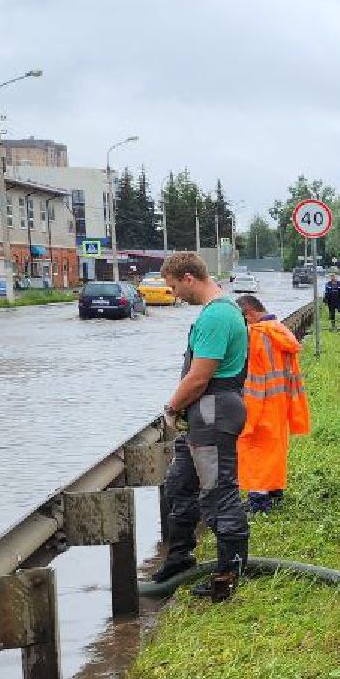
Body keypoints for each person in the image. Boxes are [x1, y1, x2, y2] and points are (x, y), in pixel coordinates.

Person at [151, 253, 250, 601]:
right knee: (179, 485)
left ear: (189, 278)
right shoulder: (219, 311)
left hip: (211, 411)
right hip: (205, 414)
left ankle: (228, 577)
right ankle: (179, 559)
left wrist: (171, 407)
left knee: (218, 493)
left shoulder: (218, 315)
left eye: (174, 286)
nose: (175, 294)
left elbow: (199, 377)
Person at [234, 294, 310, 513]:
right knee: (274, 449)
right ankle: (275, 491)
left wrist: (248, 414)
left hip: (259, 403)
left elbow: (253, 378)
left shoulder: (255, 335)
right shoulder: (281, 331)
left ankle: (259, 500)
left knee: (255, 450)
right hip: (281, 403)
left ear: (248, 314)